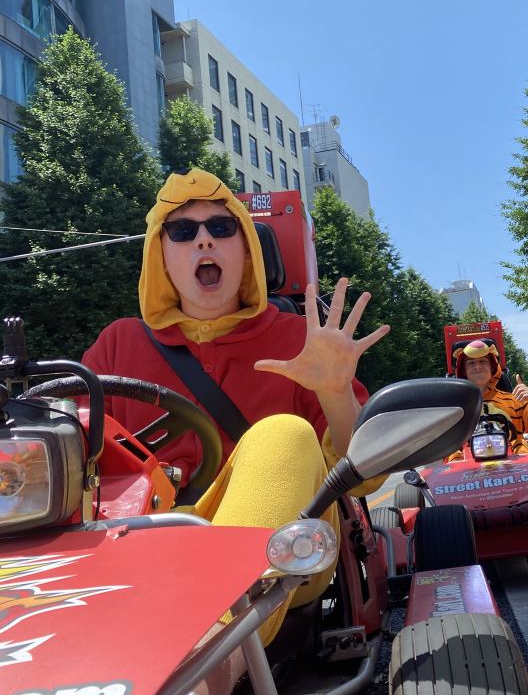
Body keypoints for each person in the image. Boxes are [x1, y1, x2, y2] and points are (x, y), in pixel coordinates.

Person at [83, 168, 390, 691]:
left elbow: (367, 480)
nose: (203, 239)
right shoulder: (118, 343)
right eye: (183, 231)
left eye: (222, 228)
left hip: (285, 549)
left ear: (247, 252)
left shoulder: (302, 337)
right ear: (162, 257)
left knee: (282, 434)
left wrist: (337, 390)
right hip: (142, 549)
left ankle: (201, 667)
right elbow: (67, 443)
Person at [447, 338, 528, 460]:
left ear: (492, 367)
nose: (477, 367)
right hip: (466, 467)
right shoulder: (452, 407)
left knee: (522, 448)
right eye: (471, 363)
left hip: (516, 468)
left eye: (483, 361)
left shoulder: (515, 402)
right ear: (463, 370)